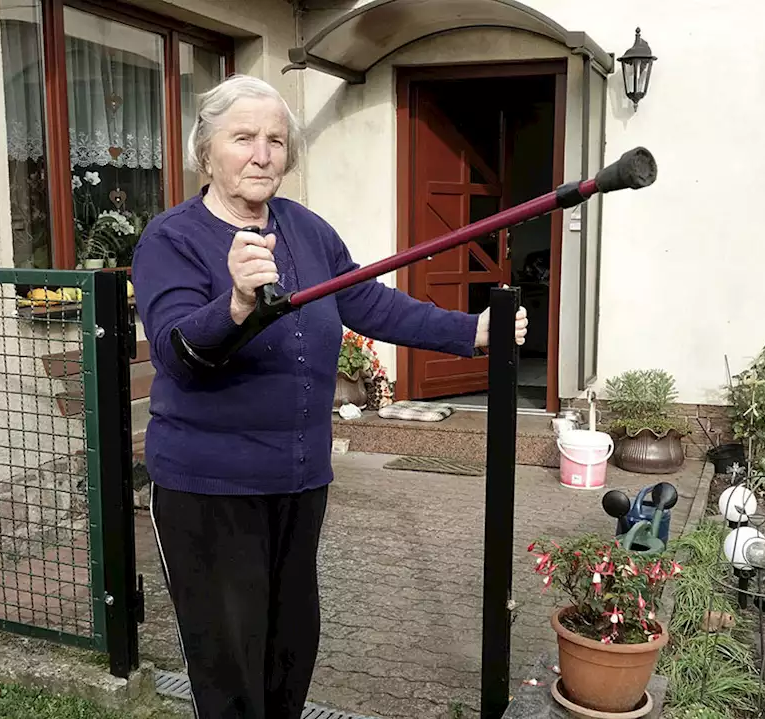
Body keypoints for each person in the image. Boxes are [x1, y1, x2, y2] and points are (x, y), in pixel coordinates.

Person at [131, 74, 528, 719]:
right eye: (243, 138)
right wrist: (234, 304)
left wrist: (473, 332)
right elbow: (179, 355)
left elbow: (368, 299)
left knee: (291, 650)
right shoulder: (172, 239)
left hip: (298, 479)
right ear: (206, 152)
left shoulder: (305, 231)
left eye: (276, 140)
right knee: (229, 661)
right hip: (210, 489)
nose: (262, 154)